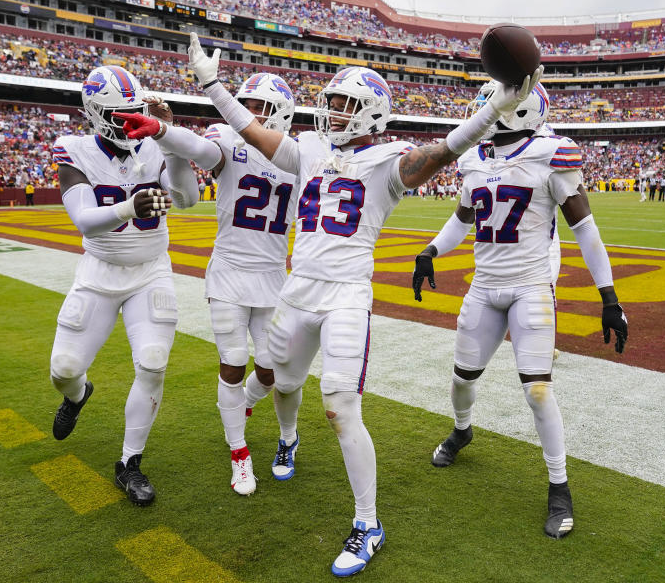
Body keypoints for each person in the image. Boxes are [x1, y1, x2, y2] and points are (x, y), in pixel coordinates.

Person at [126, 32, 540, 577]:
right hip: (297, 292)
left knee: (342, 407)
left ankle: (367, 522)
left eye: (344, 105)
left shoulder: (390, 162)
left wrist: (491, 110)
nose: (332, 111)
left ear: (370, 114)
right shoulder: (312, 151)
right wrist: (209, 84)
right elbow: (249, 129)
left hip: (347, 296)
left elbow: (446, 149)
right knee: (281, 382)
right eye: (331, 102)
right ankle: (280, 436)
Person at [412, 80, 628, 540]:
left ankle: (559, 488)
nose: (483, 111)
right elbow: (463, 219)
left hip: (530, 287)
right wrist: (431, 250)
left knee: (537, 392)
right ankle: (463, 430)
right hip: (484, 288)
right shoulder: (475, 160)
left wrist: (609, 297)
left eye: (494, 103)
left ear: (519, 110)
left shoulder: (551, 155)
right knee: (461, 379)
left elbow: (585, 231)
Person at [115, 73, 298, 497]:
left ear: (282, 114)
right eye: (247, 104)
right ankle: (240, 454)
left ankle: (244, 407)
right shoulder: (227, 138)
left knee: (273, 373)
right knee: (233, 362)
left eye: (261, 107)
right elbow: (199, 148)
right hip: (230, 271)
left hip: (273, 276)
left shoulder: (295, 154)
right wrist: (164, 130)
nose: (252, 113)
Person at [47, 66, 199, 507]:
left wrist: (171, 143)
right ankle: (78, 397)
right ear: (94, 114)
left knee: (152, 362)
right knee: (64, 369)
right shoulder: (75, 150)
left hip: (150, 269)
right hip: (99, 270)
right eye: (118, 113)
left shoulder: (153, 145)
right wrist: (129, 206)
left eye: (135, 111)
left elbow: (188, 199)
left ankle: (129, 463)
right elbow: (84, 221)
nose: (128, 121)